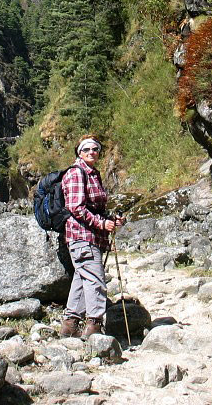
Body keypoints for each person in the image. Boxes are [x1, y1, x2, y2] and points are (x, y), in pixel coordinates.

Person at [59, 135, 125, 339]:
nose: (91, 152)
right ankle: (94, 328)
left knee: (82, 278)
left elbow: (93, 207)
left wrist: (110, 220)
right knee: (96, 280)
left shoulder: (92, 174)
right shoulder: (76, 173)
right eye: (86, 149)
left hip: (88, 237)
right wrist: (101, 223)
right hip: (81, 237)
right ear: (79, 152)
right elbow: (76, 207)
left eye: (95, 149)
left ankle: (70, 326)